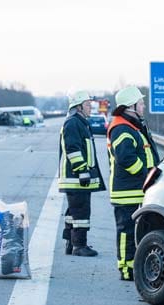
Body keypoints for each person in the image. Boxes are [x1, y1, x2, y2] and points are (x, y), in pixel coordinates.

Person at [107, 86, 161, 280]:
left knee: (133, 231)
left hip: (135, 188)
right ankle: (126, 268)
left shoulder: (133, 125)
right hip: (126, 190)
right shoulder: (121, 127)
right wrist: (146, 174)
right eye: (141, 102)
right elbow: (126, 158)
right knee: (126, 232)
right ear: (131, 106)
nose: (144, 105)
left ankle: (132, 265)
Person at [58, 90, 105, 257]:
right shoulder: (73, 123)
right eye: (87, 105)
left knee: (73, 211)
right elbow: (73, 149)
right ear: (78, 107)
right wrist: (82, 171)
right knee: (81, 212)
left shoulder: (80, 122)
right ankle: (79, 245)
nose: (90, 107)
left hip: (77, 178)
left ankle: (71, 243)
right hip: (76, 178)